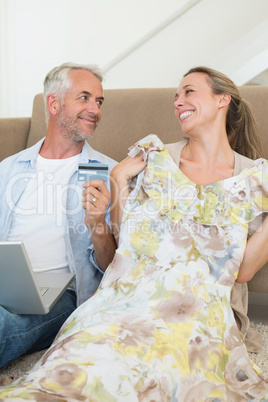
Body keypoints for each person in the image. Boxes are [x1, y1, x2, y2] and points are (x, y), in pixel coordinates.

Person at [0, 66, 268, 400]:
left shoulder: (251, 178)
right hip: (123, 294)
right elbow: (127, 257)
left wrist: (103, 206)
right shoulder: (150, 160)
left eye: (189, 92)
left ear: (222, 100)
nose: (178, 102)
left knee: (144, 365)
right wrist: (118, 182)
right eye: (176, 95)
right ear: (53, 104)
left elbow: (239, 269)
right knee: (78, 358)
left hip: (186, 305)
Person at [0, 62, 117, 368]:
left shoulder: (108, 174)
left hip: (63, 295)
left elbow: (115, 268)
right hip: (5, 282)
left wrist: (98, 225)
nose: (95, 109)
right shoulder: (9, 169)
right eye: (85, 98)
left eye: (99, 101)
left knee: (3, 324)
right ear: (54, 103)